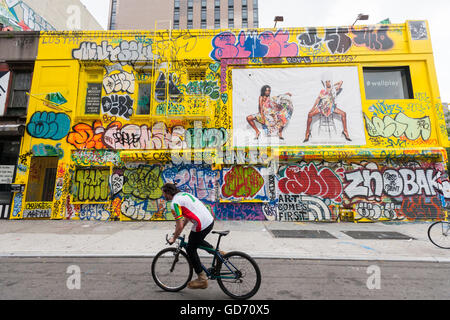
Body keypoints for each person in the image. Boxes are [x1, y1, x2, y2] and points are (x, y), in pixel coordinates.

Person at [162, 183, 215, 289]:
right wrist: (179, 231)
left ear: (168, 193)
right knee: (195, 240)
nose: (163, 196)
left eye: (163, 193)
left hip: (201, 224)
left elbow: (179, 225)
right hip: (209, 220)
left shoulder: (174, 204)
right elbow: (186, 216)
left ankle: (202, 279)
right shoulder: (183, 195)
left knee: (190, 248)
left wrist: (174, 238)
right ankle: (219, 253)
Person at [303, 72, 351, 142]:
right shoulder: (323, 91)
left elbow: (341, 82)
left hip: (331, 107)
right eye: (326, 82)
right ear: (325, 84)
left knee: (344, 114)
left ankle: (345, 132)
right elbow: (318, 99)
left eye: (329, 82)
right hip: (322, 107)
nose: (328, 83)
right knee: (309, 114)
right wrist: (313, 108)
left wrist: (332, 85)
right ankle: (307, 133)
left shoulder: (334, 90)